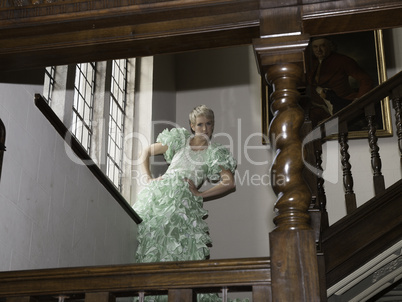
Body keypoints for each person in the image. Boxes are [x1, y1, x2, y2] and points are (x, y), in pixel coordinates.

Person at [133, 105, 239, 301]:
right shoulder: (180, 140)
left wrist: (199, 194)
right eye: (200, 124)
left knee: (180, 250)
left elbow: (229, 182)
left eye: (209, 124)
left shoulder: (215, 152)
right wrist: (148, 178)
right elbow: (145, 152)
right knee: (153, 242)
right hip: (159, 197)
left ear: (213, 126)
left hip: (183, 203)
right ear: (192, 126)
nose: (205, 128)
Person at [306, 37, 374, 126]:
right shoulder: (309, 62)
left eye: (322, 46)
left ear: (330, 46)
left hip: (342, 104)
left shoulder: (343, 60)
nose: (318, 50)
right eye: (315, 47)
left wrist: (359, 100)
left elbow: (366, 80)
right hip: (318, 106)